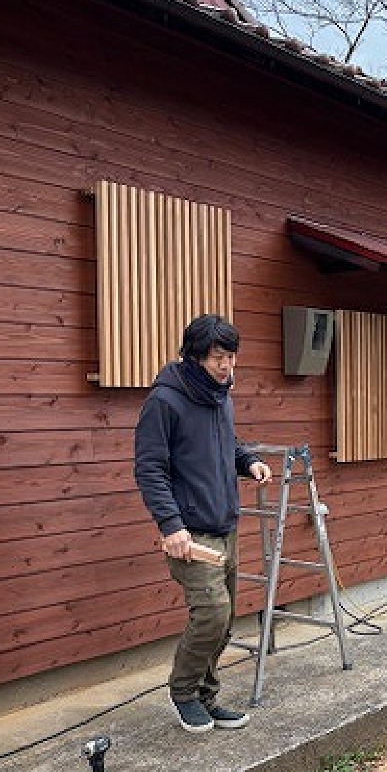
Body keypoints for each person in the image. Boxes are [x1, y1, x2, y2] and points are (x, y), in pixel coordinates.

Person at [134, 314, 272, 733]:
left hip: (225, 524)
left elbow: (225, 443)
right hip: (189, 532)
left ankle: (206, 697)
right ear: (194, 357)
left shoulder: (219, 397)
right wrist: (170, 526)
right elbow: (150, 468)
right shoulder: (165, 401)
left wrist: (247, 461)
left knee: (225, 620)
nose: (227, 367)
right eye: (218, 358)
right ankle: (183, 692)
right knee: (212, 613)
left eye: (232, 357)